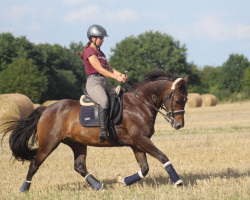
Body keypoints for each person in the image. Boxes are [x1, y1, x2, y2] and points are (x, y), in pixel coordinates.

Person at [78, 24, 127, 143]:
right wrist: (116, 78)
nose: (103, 40)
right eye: (101, 38)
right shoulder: (89, 52)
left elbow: (109, 69)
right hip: (94, 83)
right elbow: (100, 69)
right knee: (104, 101)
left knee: (122, 95)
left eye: (103, 38)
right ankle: (103, 131)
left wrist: (121, 75)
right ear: (92, 38)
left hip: (104, 82)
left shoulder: (101, 53)